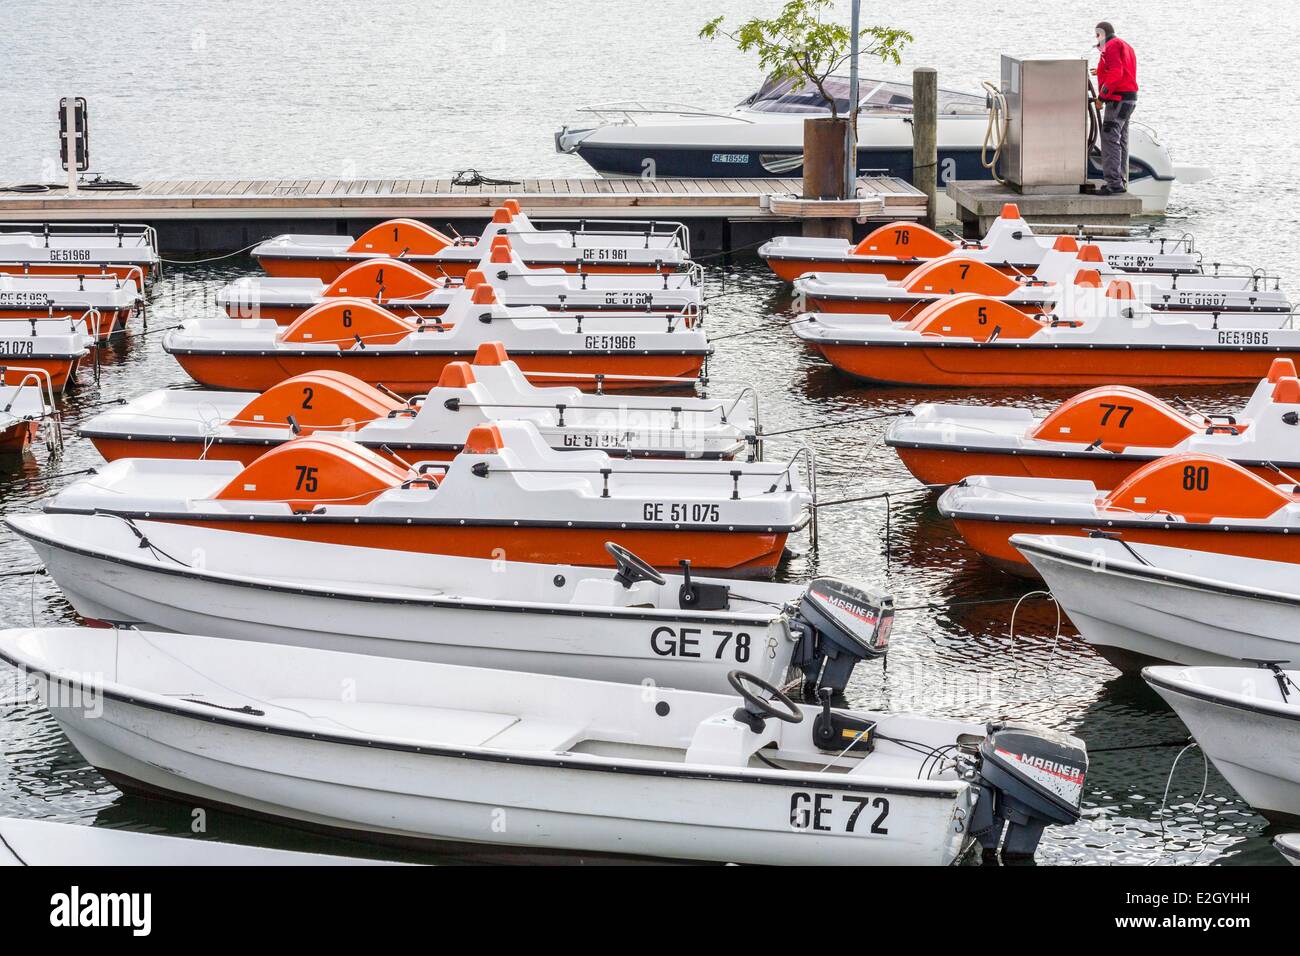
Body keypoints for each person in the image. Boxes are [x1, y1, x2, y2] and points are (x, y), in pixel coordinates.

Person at [1092, 21, 1139, 194]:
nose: (1096, 39)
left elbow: (1116, 73)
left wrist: (1101, 97)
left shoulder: (1111, 46)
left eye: (1097, 35)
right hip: (1129, 99)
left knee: (1110, 138)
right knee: (1122, 139)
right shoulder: (1125, 45)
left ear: (1101, 33)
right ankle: (1121, 180)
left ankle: (1113, 184)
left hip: (1117, 100)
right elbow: (1123, 70)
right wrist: (1100, 71)